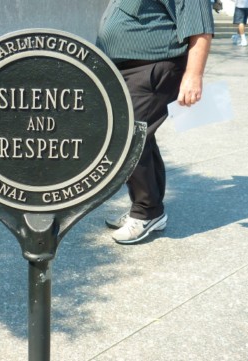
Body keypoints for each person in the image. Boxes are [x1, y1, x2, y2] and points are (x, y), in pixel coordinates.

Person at [96, 0, 214, 244]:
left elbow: (200, 26)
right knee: (141, 137)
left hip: (153, 67)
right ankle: (149, 209)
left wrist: (193, 76)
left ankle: (146, 212)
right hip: (126, 68)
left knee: (128, 137)